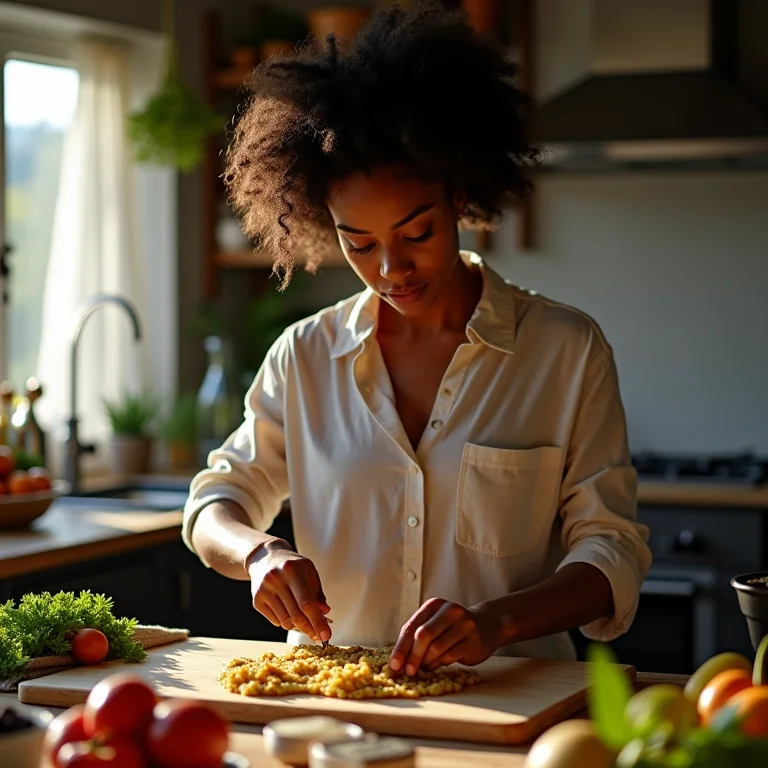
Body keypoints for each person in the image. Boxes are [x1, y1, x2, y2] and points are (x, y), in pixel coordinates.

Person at [182, 2, 651, 677]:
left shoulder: (565, 351)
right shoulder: (305, 357)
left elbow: (613, 548)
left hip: (515, 704)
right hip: (337, 710)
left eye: (417, 233)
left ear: (458, 197)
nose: (390, 269)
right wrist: (259, 554)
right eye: (360, 243)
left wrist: (499, 621)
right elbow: (213, 502)